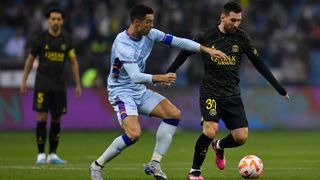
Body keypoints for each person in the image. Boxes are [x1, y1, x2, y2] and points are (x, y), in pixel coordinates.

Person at [89, 4, 227, 180]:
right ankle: (97, 166)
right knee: (134, 134)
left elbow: (178, 41)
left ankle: (154, 163)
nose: (152, 25)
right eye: (148, 22)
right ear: (136, 22)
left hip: (138, 90)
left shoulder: (150, 34)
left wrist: (207, 50)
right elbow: (136, 76)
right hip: (121, 92)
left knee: (173, 114)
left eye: (152, 21)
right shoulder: (122, 44)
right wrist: (160, 78)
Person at [167, 2, 290, 180]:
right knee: (210, 130)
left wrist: (279, 88)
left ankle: (219, 146)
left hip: (232, 94)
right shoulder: (206, 35)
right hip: (210, 91)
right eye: (233, 19)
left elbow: (258, 63)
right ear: (222, 17)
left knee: (241, 137)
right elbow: (185, 52)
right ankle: (194, 172)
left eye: (239, 20)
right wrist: (170, 71)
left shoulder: (242, 38)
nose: (236, 24)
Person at [20, 6, 82, 165]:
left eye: (58, 19)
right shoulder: (39, 38)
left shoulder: (67, 40)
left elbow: (74, 62)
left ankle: (53, 154)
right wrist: (24, 80)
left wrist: (78, 84)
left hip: (59, 86)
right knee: (41, 117)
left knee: (56, 118)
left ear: (62, 21)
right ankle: (40, 154)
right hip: (42, 84)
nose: (56, 21)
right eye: (53, 19)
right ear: (48, 21)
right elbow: (29, 60)